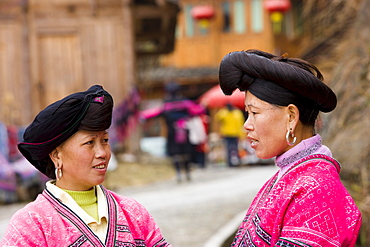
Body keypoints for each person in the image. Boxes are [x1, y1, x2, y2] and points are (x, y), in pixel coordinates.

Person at [219, 49, 362, 246]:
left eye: (254, 112)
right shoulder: (291, 178)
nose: (247, 124)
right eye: (247, 113)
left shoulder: (316, 191)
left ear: (291, 117)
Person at [1, 85, 171, 247]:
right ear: (56, 155)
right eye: (89, 142)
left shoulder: (133, 212)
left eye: (105, 141)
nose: (102, 153)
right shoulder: (31, 225)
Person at [141, 82, 205, 182]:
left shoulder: (166, 105)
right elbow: (198, 111)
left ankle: (179, 174)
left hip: (172, 134)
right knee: (186, 154)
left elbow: (152, 114)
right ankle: (187, 173)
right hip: (185, 132)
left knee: (175, 155)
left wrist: (141, 116)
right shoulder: (185, 103)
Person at [214, 103, 245, 167]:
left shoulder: (224, 112)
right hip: (234, 133)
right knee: (235, 147)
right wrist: (241, 134)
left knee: (229, 148)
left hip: (227, 133)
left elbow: (217, 118)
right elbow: (240, 123)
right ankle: (237, 161)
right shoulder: (237, 113)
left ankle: (230, 163)